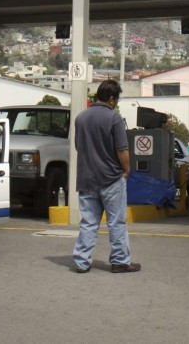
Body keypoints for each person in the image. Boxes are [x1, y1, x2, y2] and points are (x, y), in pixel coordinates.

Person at [71, 80, 140, 274]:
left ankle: (81, 261)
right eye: (116, 99)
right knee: (116, 222)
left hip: (86, 179)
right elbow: (122, 150)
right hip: (110, 179)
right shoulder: (114, 118)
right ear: (111, 99)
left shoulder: (81, 118)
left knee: (88, 222)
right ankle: (120, 261)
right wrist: (126, 170)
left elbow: (79, 147)